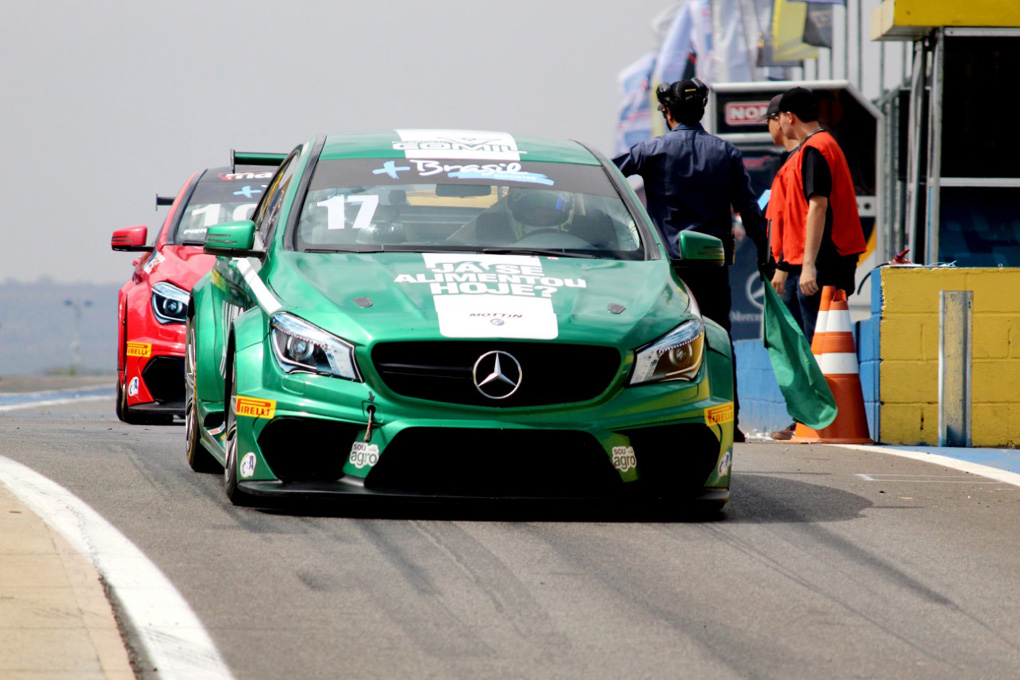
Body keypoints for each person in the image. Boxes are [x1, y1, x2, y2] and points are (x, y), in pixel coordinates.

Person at [613, 78, 773, 442]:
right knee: (719, 338)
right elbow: (750, 211)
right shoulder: (726, 153)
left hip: (668, 271)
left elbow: (608, 178)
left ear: (667, 112)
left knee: (661, 341)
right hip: (713, 266)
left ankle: (664, 418)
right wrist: (766, 257)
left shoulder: (650, 150)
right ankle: (730, 423)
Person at [765, 87, 867, 440]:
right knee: (809, 343)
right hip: (807, 262)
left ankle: (820, 420)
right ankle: (809, 419)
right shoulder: (812, 150)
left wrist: (806, 266)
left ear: (789, 117)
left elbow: (818, 206)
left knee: (815, 342)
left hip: (824, 261)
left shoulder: (816, 149)